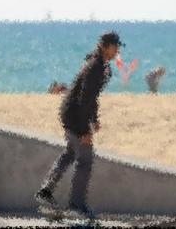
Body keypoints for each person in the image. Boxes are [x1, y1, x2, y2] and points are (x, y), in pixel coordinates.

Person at [35, 31, 123, 219]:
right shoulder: (95, 67)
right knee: (85, 160)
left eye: (117, 47)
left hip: (69, 112)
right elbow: (84, 99)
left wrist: (95, 118)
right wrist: (84, 130)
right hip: (75, 116)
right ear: (104, 47)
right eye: (114, 47)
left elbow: (92, 97)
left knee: (70, 152)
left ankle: (45, 191)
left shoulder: (97, 64)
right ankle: (75, 206)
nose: (116, 51)